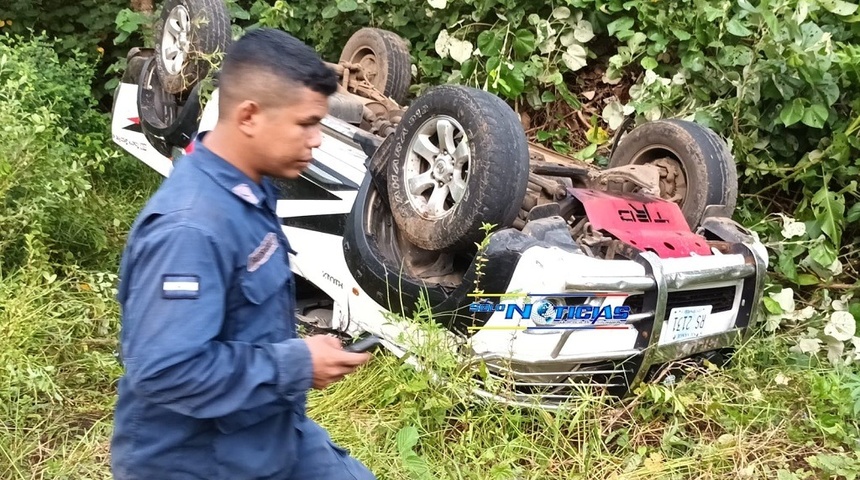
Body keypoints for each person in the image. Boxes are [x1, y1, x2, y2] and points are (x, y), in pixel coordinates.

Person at [110, 28, 375, 480]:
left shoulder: (248, 190)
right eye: (307, 124)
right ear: (249, 116)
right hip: (195, 461)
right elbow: (167, 369)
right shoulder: (189, 227)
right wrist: (298, 363)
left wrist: (302, 355)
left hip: (266, 431)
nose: (316, 141)